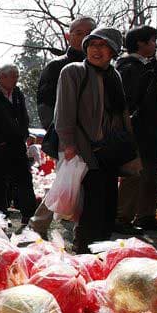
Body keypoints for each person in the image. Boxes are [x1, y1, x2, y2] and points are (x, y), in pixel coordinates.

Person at [56, 27, 128, 253]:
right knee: (90, 211)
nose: (97, 50)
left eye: (103, 45)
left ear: (114, 51)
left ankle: (100, 256)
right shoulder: (73, 72)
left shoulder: (114, 75)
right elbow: (64, 112)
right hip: (84, 151)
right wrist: (68, 144)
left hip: (109, 152)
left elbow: (121, 115)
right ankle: (84, 256)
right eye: (92, 45)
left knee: (107, 208)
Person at [30, 16, 97, 236]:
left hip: (94, 138)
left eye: (90, 31)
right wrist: (61, 135)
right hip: (67, 138)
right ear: (68, 36)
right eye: (79, 32)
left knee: (87, 185)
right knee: (66, 183)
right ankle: (38, 224)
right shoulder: (58, 66)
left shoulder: (101, 66)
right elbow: (45, 104)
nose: (85, 36)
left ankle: (82, 230)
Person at [115, 25, 157, 234]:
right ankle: (122, 216)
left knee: (153, 173)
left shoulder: (147, 66)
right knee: (135, 173)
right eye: (152, 41)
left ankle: (146, 215)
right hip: (137, 129)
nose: (155, 45)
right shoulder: (129, 68)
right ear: (140, 43)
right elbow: (127, 102)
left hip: (151, 129)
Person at [0, 64, 36, 225]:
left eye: (17, 76)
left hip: (18, 144)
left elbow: (24, 116)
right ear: (2, 77)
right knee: (0, 183)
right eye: (13, 76)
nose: (16, 79)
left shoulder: (18, 93)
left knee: (25, 180)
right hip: (0, 147)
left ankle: (29, 215)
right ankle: (1, 217)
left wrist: (25, 134)